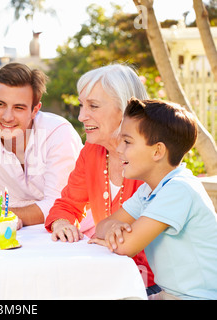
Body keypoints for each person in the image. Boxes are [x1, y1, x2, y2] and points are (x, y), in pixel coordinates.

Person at [44, 63, 158, 293]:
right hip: (109, 277)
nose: (81, 116)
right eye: (81, 105)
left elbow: (148, 244)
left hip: (151, 285)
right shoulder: (92, 151)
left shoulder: (154, 158)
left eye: (93, 106)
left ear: (126, 109)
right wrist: (62, 222)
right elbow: (67, 205)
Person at [89, 98, 217, 300]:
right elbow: (103, 226)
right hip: (170, 295)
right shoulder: (149, 191)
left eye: (127, 142)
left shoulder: (179, 190)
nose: (119, 149)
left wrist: (116, 236)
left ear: (157, 151)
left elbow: (126, 246)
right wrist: (113, 228)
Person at [0, 62, 83, 226]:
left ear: (35, 110)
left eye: (18, 108)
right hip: (27, 237)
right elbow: (10, 207)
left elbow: (59, 207)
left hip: (80, 234)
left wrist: (1, 213)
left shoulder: (58, 133)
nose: (7, 117)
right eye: (0, 104)